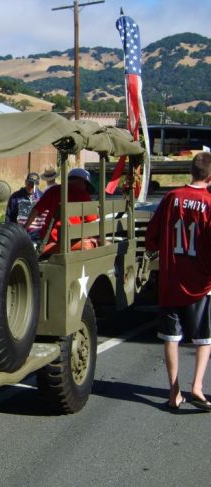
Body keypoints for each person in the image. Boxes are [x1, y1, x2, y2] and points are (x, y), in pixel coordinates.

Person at [145, 152, 211, 411]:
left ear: (190, 171)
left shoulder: (171, 198)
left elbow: (152, 236)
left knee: (171, 336)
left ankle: (174, 391)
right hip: (201, 281)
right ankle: (197, 386)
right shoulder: (208, 202)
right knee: (204, 338)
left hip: (171, 278)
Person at [24, 167, 98, 252]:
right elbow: (91, 221)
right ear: (83, 182)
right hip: (72, 240)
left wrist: (25, 229)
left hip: (48, 238)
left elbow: (36, 210)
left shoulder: (53, 190)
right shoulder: (84, 195)